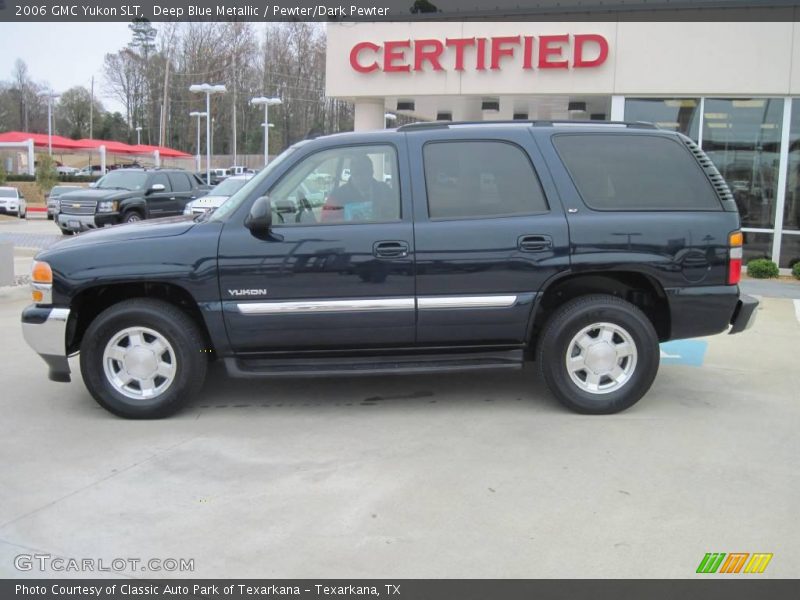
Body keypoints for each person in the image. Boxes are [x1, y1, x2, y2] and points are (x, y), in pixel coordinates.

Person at [321, 154, 396, 222]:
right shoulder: (337, 196)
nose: (360, 177)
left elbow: (397, 213)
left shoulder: (384, 191)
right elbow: (326, 221)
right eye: (356, 174)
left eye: (363, 173)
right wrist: (346, 221)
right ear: (351, 173)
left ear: (371, 172)